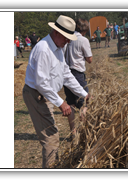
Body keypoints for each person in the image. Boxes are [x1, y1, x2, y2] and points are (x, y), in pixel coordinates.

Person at [23, 15, 90, 168]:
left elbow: (66, 74)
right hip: (36, 95)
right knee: (51, 138)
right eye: (66, 37)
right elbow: (41, 83)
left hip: (44, 94)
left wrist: (83, 93)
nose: (68, 41)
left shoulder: (59, 47)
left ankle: (54, 165)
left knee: (51, 134)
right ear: (56, 32)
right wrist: (61, 103)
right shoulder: (43, 49)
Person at [64, 18, 93, 138]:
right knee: (84, 104)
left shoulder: (68, 38)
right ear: (85, 29)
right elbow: (89, 59)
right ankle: (83, 134)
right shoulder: (83, 40)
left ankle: (73, 132)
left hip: (66, 73)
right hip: (78, 74)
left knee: (70, 103)